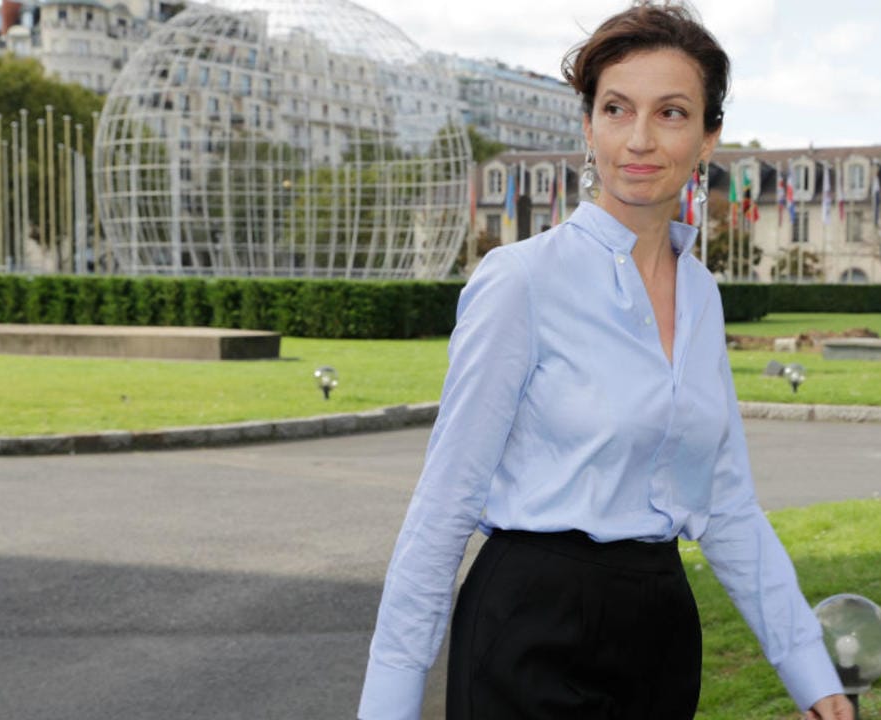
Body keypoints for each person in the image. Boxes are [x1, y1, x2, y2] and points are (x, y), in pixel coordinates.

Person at [358, 3, 854, 719]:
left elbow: (725, 505)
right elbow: (444, 504)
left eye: (673, 113)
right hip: (532, 627)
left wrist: (811, 672)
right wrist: (388, 706)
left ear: (710, 136)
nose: (640, 139)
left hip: (660, 635)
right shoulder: (521, 279)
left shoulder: (702, 293)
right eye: (617, 109)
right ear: (588, 126)